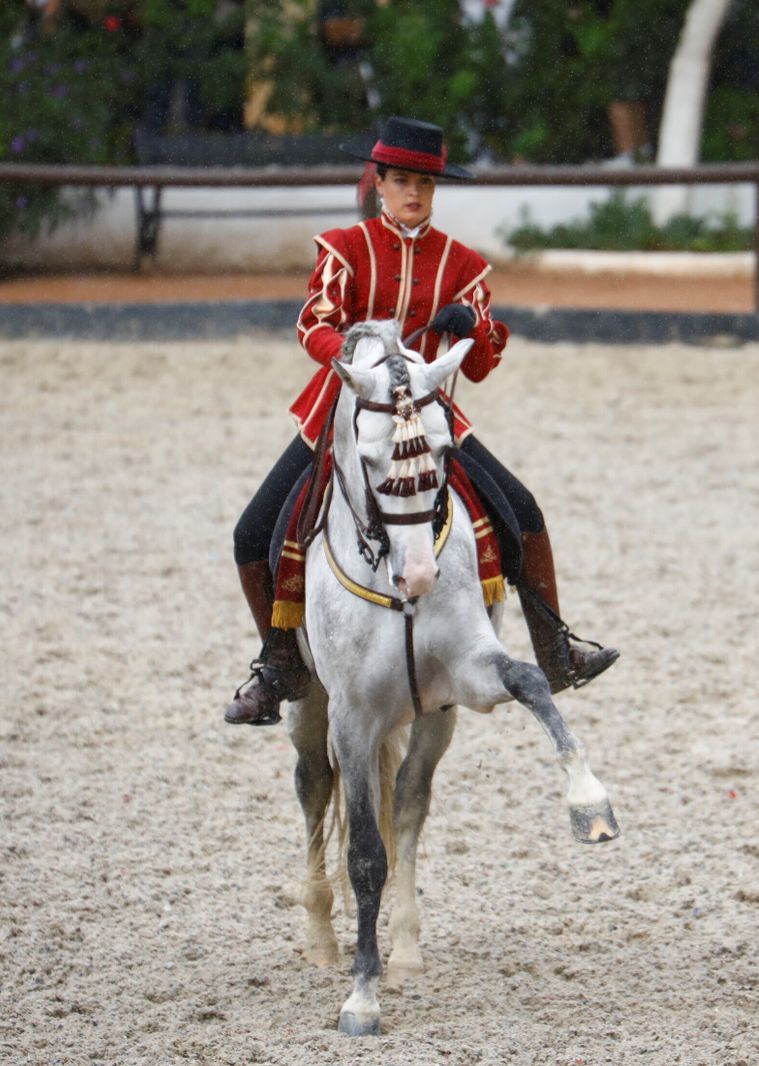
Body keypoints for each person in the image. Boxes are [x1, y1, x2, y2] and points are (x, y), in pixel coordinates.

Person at [224, 116, 619, 727]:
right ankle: (279, 665)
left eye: (426, 184)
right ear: (378, 181)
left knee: (524, 512)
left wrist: (476, 329)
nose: (415, 194)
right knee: (252, 534)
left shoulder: (465, 267)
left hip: (432, 419)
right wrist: (358, 362)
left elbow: (483, 366)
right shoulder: (343, 249)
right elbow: (313, 325)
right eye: (403, 180)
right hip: (345, 413)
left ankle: (555, 647)